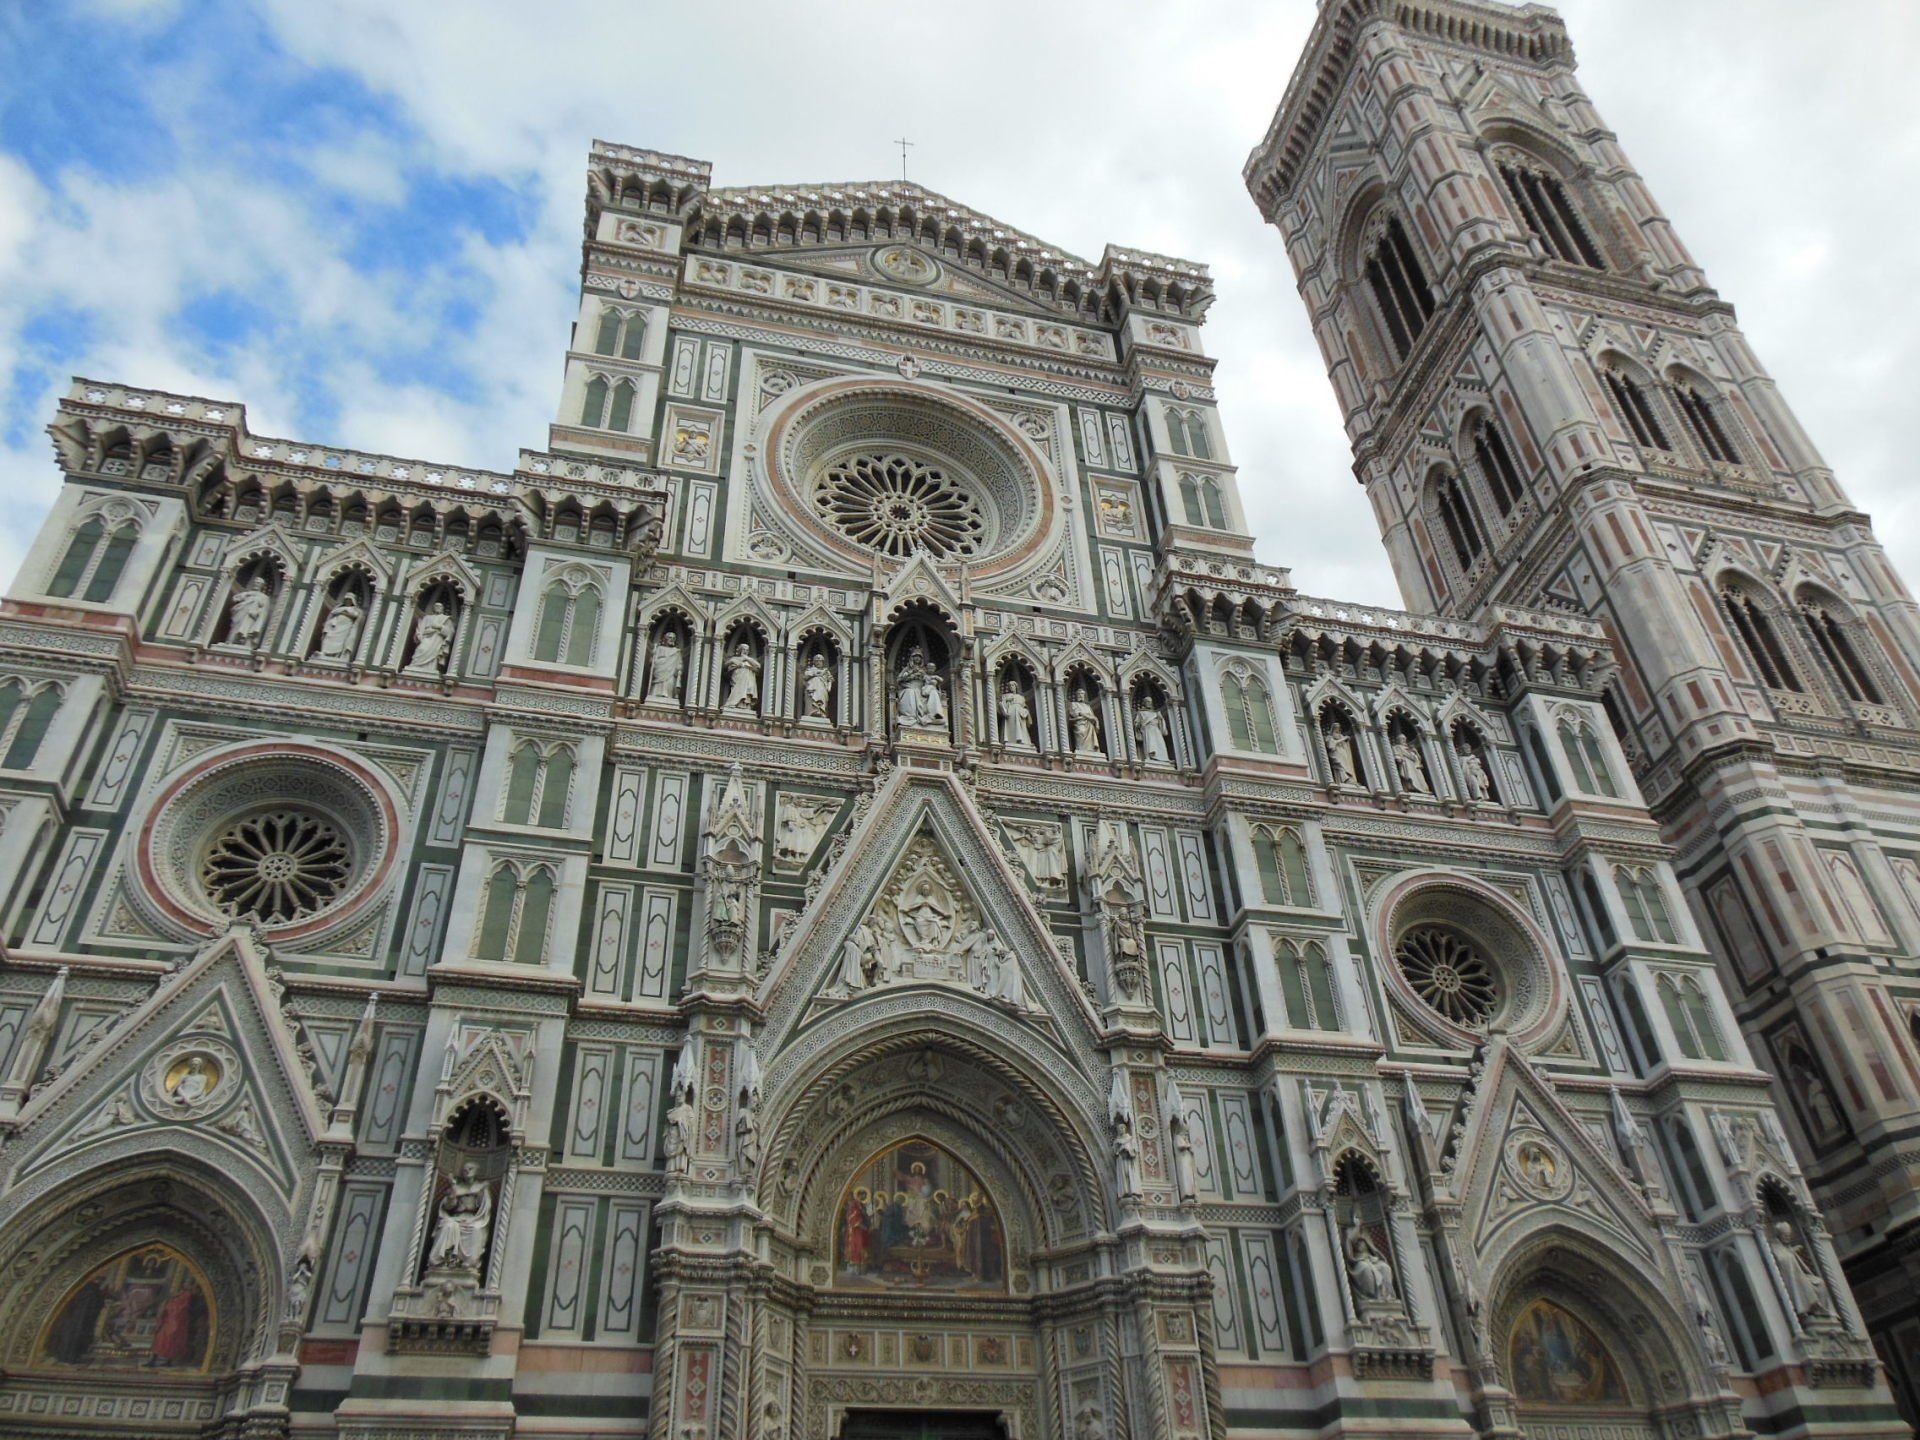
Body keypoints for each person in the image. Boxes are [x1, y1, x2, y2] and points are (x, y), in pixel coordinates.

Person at [428, 1163, 494, 1272]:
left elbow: (485, 1207)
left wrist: (479, 1194)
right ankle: (443, 1260)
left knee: (476, 1229)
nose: (467, 1171)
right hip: (456, 1217)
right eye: (464, 1170)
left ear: (476, 1171)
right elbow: (449, 1207)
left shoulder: (481, 1187)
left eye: (470, 1168)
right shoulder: (457, 1187)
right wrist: (452, 1194)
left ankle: (469, 1262)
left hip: (474, 1218)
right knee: (448, 1225)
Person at [405, 601, 454, 674]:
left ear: (442, 609)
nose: (438, 608)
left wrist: (440, 627)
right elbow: (420, 628)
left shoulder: (446, 619)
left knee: (433, 655)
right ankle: (415, 665)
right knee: (421, 649)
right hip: (426, 637)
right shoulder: (427, 617)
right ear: (433, 608)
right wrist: (420, 636)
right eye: (436, 606)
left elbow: (450, 632)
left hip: (437, 639)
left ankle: (430, 669)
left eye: (439, 606)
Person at [225, 574, 270, 648]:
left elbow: (264, 611)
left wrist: (257, 613)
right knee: (236, 627)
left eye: (258, 583)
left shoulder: (264, 597)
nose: (256, 584)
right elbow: (235, 598)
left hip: (251, 616)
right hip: (241, 612)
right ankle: (230, 641)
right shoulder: (246, 593)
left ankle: (246, 644)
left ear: (262, 586)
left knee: (247, 630)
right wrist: (246, 595)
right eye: (255, 582)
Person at [316, 592, 363, 661]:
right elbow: (333, 613)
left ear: (352, 601)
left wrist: (343, 613)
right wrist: (342, 612)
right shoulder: (339, 608)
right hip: (335, 627)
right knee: (328, 637)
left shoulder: (354, 609)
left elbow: (355, 616)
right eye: (346, 600)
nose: (347, 601)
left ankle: (338, 656)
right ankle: (324, 653)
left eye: (349, 600)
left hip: (345, 628)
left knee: (342, 642)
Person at [646, 630, 684, 703]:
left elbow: (680, 663)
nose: (671, 639)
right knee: (657, 687)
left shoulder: (676, 651)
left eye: (673, 638)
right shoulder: (659, 648)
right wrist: (655, 658)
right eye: (670, 637)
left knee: (669, 686)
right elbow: (652, 662)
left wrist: (679, 669)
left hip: (670, 674)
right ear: (665, 639)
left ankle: (669, 697)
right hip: (659, 672)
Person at [722, 642, 760, 712]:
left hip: (748, 679)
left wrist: (747, 659)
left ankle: (745, 706)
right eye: (743, 649)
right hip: (738, 677)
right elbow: (726, 664)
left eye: (747, 650)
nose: (745, 651)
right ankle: (732, 703)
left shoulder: (750, 660)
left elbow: (758, 666)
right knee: (737, 689)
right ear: (739, 650)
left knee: (746, 691)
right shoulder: (735, 658)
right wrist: (738, 661)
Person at [1134, 692, 1172, 763]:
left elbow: (1162, 727)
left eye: (1150, 702)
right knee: (1151, 744)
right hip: (1148, 730)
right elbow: (1137, 724)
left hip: (1156, 730)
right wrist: (1141, 725)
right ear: (1144, 703)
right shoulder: (1141, 713)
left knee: (1160, 743)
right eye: (1147, 702)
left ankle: (1163, 758)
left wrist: (1160, 719)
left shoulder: (1156, 713)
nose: (1149, 703)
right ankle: (1151, 757)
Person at [999, 677, 1034, 748]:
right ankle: (1011, 740)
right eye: (1010, 686)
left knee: (1021, 728)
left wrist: (1026, 711)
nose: (1011, 687)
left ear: (1016, 687)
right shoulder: (1005, 696)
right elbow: (1002, 705)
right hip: (1010, 713)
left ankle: (1023, 741)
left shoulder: (1021, 697)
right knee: (1012, 728)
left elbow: (1025, 707)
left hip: (1020, 713)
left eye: (1013, 685)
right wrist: (1004, 710)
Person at [802, 651, 832, 719]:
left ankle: (821, 712)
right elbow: (805, 677)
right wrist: (814, 674)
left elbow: (830, 679)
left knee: (821, 699)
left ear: (822, 662)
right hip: (812, 689)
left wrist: (829, 687)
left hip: (822, 689)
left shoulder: (825, 671)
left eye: (820, 661)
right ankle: (811, 712)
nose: (818, 662)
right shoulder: (810, 669)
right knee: (811, 700)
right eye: (816, 661)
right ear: (814, 662)